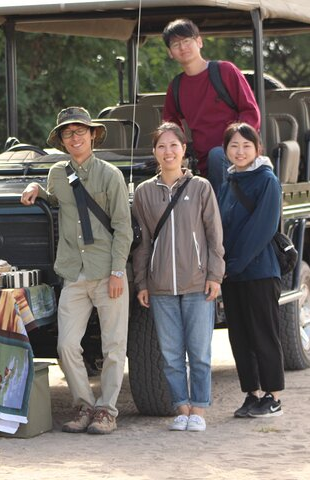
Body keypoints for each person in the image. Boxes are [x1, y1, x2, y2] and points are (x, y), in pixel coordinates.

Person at [21, 107, 132, 434]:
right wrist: (35, 188)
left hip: (106, 271)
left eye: (80, 131)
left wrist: (117, 272)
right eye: (68, 133)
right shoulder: (57, 172)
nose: (75, 137)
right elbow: (58, 199)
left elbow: (123, 227)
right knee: (66, 345)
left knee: (114, 346)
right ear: (62, 140)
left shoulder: (110, 174)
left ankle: (107, 411)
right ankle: (84, 405)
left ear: (93, 134)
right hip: (74, 272)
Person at [132, 122, 225, 432]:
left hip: (198, 284)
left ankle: (199, 408)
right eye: (162, 146)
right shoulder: (145, 192)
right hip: (160, 288)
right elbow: (143, 241)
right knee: (171, 355)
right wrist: (142, 282)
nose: (168, 152)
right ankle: (181, 408)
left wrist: (215, 275)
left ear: (184, 150)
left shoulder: (201, 187)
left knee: (199, 352)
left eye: (174, 145)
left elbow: (214, 235)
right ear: (155, 152)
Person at [217, 122, 285, 418]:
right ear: (226, 150)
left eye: (246, 145)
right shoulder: (227, 182)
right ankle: (251, 394)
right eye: (234, 145)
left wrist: (233, 263)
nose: (240, 151)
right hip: (233, 274)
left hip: (259, 271)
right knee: (240, 337)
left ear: (258, 149)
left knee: (264, 334)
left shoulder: (267, 180)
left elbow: (263, 228)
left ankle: (273, 396)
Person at [161, 18, 261, 193]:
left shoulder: (225, 71)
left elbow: (250, 111)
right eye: (176, 44)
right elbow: (170, 127)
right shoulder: (176, 87)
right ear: (170, 52)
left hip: (236, 156)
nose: (183, 47)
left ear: (199, 42)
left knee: (217, 155)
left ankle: (219, 216)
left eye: (187, 41)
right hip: (201, 160)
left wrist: (236, 144)